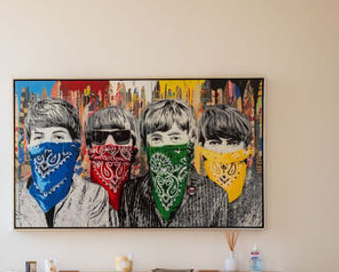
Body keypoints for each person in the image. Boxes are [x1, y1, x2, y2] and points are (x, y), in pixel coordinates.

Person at [120, 98, 227, 227]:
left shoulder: (214, 195)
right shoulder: (130, 193)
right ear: (145, 144)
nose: (166, 145)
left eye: (175, 138)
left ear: (190, 140)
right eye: (157, 138)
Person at [14, 98, 117, 228]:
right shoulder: (16, 196)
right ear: (28, 146)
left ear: (75, 145)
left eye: (58, 137)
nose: (47, 147)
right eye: (39, 137)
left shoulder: (93, 196)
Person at [198, 104, 263, 227]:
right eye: (214, 143)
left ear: (247, 148)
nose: (223, 150)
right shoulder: (194, 197)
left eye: (232, 143)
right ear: (201, 149)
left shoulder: (260, 194)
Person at [84, 105, 138, 217]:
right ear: (89, 145)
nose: (109, 144)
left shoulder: (144, 193)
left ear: (133, 142)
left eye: (121, 136)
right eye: (99, 137)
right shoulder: (78, 194)